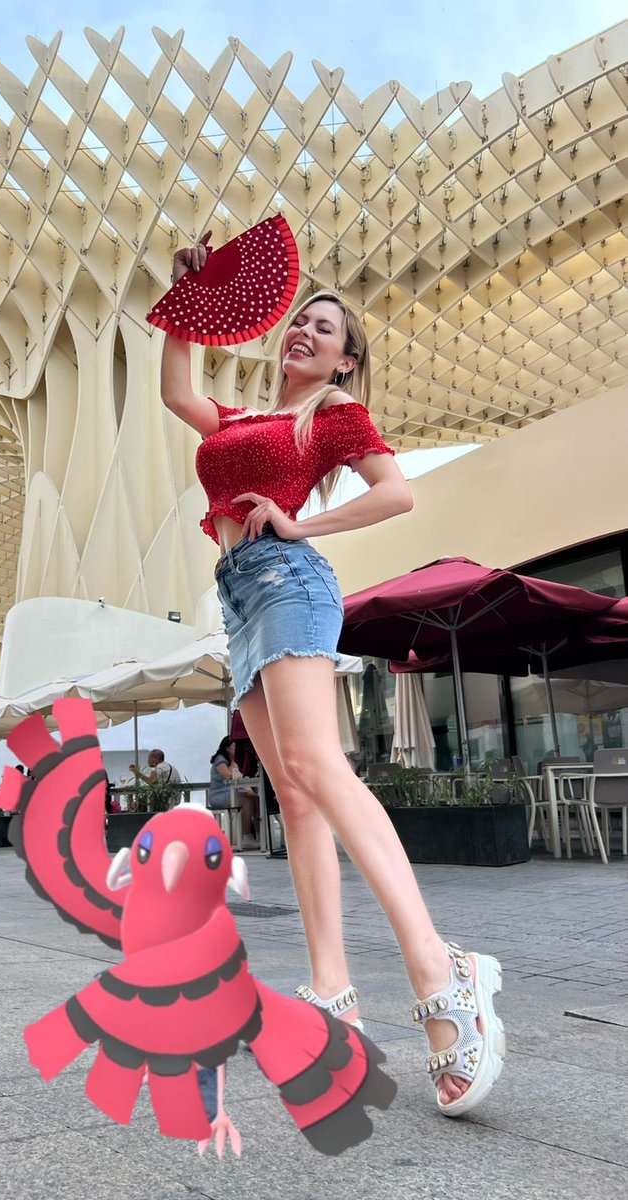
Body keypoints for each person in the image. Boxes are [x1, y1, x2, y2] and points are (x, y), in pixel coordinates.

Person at [159, 234, 505, 1116]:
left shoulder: (333, 414)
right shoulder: (239, 420)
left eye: (324, 329)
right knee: (294, 794)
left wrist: (299, 525)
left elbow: (396, 492)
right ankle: (331, 995)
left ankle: (442, 973)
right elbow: (177, 392)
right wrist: (188, 301)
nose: (304, 333)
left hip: (287, 579)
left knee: (317, 767)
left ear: (345, 359)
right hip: (239, 598)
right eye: (299, 322)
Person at [208, 736, 258, 847]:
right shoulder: (219, 759)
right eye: (235, 746)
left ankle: (260, 834)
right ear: (227, 748)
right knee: (246, 802)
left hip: (234, 792)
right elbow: (228, 775)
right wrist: (235, 764)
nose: (238, 749)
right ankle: (245, 836)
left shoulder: (237, 760)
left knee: (256, 799)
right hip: (219, 794)